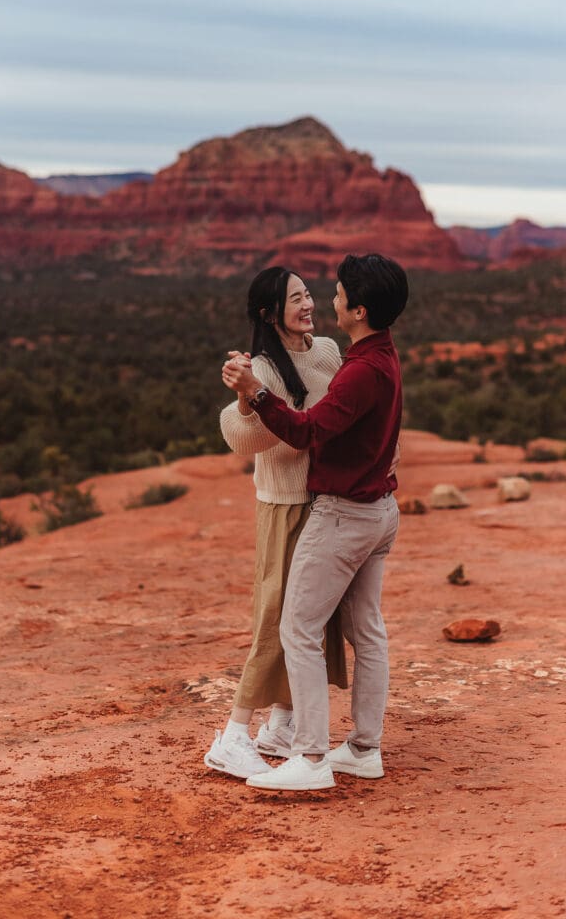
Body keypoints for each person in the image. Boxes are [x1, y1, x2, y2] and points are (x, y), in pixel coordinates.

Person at [222, 253, 408, 791]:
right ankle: (363, 749)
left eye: (337, 293)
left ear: (360, 308)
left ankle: (309, 757)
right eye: (302, 294)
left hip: (344, 517)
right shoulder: (381, 355)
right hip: (381, 511)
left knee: (296, 628)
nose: (328, 299)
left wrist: (253, 393)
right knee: (365, 630)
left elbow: (305, 432)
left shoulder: (357, 371)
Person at [204, 266, 348, 780]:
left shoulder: (328, 352)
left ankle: (282, 724)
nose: (308, 304)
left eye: (309, 293)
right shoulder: (260, 367)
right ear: (270, 313)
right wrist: (248, 397)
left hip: (324, 500)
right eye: (295, 299)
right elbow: (244, 440)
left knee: (314, 616)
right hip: (285, 504)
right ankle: (234, 735)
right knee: (278, 615)